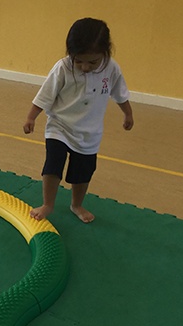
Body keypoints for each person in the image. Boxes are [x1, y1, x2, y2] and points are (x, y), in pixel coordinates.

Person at [23, 17, 134, 223]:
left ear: (106, 52)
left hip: (89, 133)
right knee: (53, 165)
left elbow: (120, 93)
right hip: (59, 126)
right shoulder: (63, 68)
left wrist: (128, 113)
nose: (84, 67)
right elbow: (45, 95)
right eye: (78, 60)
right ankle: (48, 204)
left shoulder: (111, 68)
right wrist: (31, 117)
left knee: (83, 173)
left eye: (92, 62)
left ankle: (76, 204)